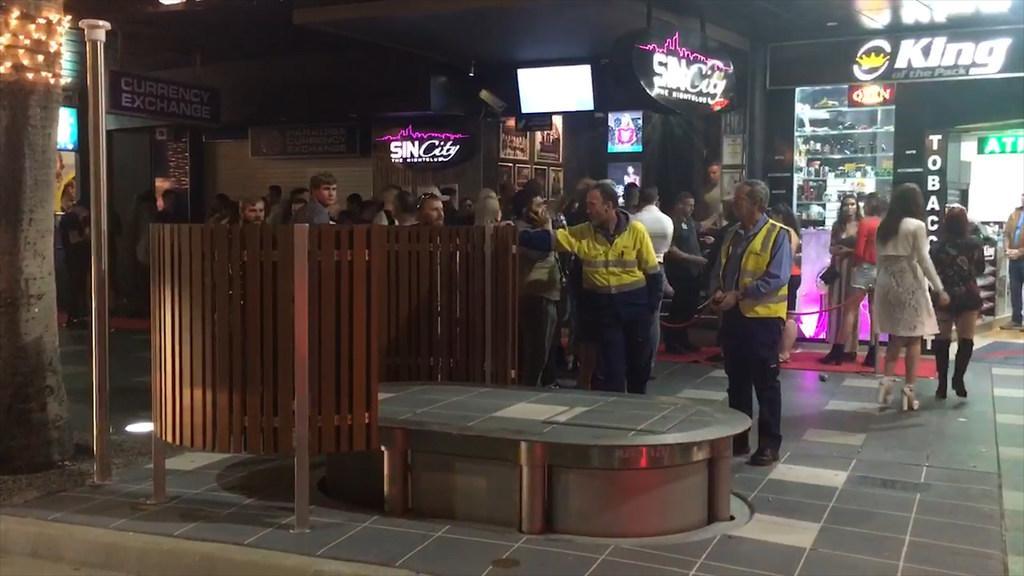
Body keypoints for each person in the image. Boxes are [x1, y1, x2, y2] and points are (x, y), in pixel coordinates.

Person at [518, 180, 662, 394]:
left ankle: (636, 411)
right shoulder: (583, 232)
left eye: (592, 204)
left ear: (609, 206)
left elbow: (653, 274)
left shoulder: (636, 231)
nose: (588, 210)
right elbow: (552, 239)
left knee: (638, 368)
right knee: (611, 371)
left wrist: (650, 309)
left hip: (635, 310)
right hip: (605, 313)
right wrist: (517, 233)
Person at [710, 180, 791, 466]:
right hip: (734, 318)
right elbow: (721, 269)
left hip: (762, 319)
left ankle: (769, 444)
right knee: (737, 382)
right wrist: (718, 292)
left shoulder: (778, 235)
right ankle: (739, 438)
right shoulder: (732, 234)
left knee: (766, 383)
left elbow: (777, 277)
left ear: (757, 203)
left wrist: (740, 293)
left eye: (741, 198)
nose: (734, 201)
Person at [874, 183, 949, 411]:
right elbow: (923, 259)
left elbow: (878, 260)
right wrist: (939, 288)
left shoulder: (884, 226)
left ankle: (886, 381)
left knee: (895, 336)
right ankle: (909, 389)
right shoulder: (916, 226)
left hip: (886, 282)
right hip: (909, 281)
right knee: (914, 337)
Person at [931, 206, 985, 399]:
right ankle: (958, 377)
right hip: (968, 296)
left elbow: (932, 271)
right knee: (966, 339)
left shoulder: (937, 246)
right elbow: (980, 269)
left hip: (944, 295)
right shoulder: (974, 244)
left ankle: (941, 384)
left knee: (942, 340)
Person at [826, 193, 884, 366]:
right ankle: (873, 352)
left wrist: (855, 263)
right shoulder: (882, 223)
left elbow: (859, 251)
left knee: (850, 310)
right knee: (874, 311)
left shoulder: (865, 223)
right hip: (879, 268)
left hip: (863, 268)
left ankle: (838, 349)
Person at [513, 188, 561, 387]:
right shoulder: (522, 230)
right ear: (527, 210)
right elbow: (544, 246)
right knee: (537, 350)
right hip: (536, 295)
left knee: (546, 347)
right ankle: (529, 388)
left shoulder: (537, 228)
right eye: (538, 205)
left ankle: (542, 382)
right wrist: (547, 226)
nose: (544, 209)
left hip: (548, 293)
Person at [632, 187, 674, 365]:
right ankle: (650, 360)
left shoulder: (635, 220)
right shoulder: (667, 220)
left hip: (638, 267)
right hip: (659, 265)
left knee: (635, 313)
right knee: (654, 316)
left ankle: (636, 356)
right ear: (657, 199)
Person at [819, 193, 863, 364]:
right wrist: (835, 251)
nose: (849, 207)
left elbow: (864, 249)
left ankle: (851, 348)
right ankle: (835, 345)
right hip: (838, 267)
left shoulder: (861, 225)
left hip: (854, 267)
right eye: (846, 204)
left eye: (852, 204)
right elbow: (831, 247)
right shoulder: (837, 225)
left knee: (852, 309)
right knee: (835, 307)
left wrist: (848, 251)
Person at [664, 193, 707, 353]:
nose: (691, 209)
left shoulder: (688, 222)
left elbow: (700, 227)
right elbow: (672, 249)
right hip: (679, 272)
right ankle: (672, 341)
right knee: (678, 308)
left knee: (689, 308)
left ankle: (683, 339)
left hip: (692, 274)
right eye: (688, 205)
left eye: (692, 205)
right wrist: (694, 259)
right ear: (679, 205)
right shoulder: (671, 223)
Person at [769, 203, 802, 363]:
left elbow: (786, 256)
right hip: (791, 274)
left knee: (789, 314)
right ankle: (783, 350)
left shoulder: (786, 233)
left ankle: (785, 351)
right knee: (788, 314)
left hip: (788, 275)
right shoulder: (790, 232)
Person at [1004, 192, 1024, 330]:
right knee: (1015, 289)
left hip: (1021, 256)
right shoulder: (1015, 214)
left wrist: (1020, 252)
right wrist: (1007, 250)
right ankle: (1016, 319)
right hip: (1014, 259)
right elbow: (1006, 234)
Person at [698, 162, 723, 229]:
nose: (711, 176)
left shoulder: (726, 189)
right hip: (708, 227)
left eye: (714, 173)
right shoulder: (703, 191)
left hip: (723, 227)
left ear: (720, 173)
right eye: (709, 173)